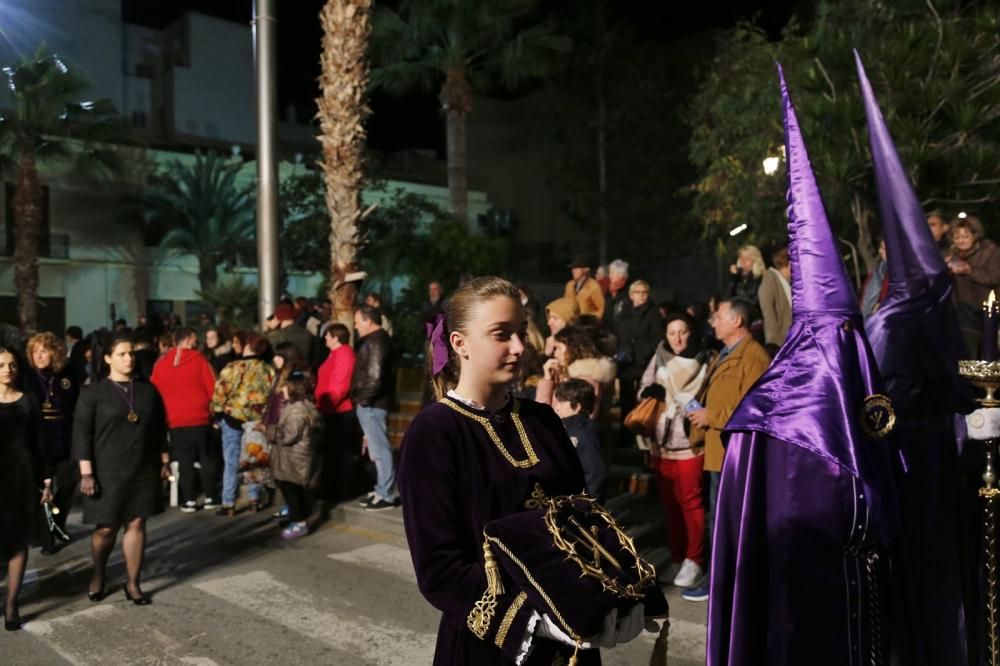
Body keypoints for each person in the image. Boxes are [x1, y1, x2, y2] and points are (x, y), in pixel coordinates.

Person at [707, 73, 898, 663]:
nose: (849, 348)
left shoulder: (860, 404)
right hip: (794, 621)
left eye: (853, 334)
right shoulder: (762, 425)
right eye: (835, 336)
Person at [399, 276, 652, 664]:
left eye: (521, 332)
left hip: (571, 638)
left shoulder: (541, 419)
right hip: (491, 647)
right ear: (460, 343)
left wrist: (617, 590)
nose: (519, 347)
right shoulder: (435, 432)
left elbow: (581, 521)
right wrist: (532, 621)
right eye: (501, 334)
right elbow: (440, 570)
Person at [859, 59, 975, 666]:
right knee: (944, 578)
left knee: (911, 584)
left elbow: (876, 398)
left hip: (907, 461)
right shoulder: (936, 301)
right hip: (942, 456)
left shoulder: (897, 315)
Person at [73, 332, 169, 606]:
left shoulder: (148, 391)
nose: (129, 359)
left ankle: (133, 583)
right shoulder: (93, 393)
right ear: (107, 359)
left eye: (131, 354)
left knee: (137, 522)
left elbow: (160, 428)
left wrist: (163, 461)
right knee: (106, 529)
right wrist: (87, 472)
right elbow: (82, 434)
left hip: (142, 467)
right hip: (106, 469)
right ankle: (99, 574)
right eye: (122, 354)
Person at [683, 297, 769, 603]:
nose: (713, 321)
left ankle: (725, 582)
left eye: (718, 316)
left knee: (729, 520)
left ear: (737, 321)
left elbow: (756, 407)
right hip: (719, 449)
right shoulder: (725, 353)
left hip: (735, 454)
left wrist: (712, 416)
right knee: (719, 519)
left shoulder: (754, 357)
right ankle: (720, 578)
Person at [636, 313, 714, 590]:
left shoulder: (706, 358)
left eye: (682, 332)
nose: (677, 338)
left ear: (690, 332)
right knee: (669, 503)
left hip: (690, 440)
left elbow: (710, 395)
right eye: (672, 333)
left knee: (691, 501)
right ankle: (677, 554)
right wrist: (653, 392)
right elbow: (644, 389)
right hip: (661, 440)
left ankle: (694, 558)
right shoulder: (659, 356)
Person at [0, 346, 52, 630]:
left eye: (12, 365)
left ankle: (11, 605)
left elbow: (39, 444)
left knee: (19, 542)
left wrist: (46, 479)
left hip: (22, 478)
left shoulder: (29, 401)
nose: (7, 370)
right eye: (1, 365)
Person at [151, 328, 219, 512]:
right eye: (195, 340)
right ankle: (211, 496)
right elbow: (213, 388)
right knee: (207, 457)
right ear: (188, 340)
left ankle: (189, 499)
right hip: (200, 416)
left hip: (174, 419)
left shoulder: (161, 363)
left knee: (184, 460)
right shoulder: (199, 360)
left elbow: (154, 391)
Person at [210, 333, 275, 516]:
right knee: (253, 458)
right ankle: (254, 499)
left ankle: (228, 502)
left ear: (249, 347)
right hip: (256, 420)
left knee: (231, 460)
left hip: (232, 418)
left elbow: (219, 393)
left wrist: (216, 413)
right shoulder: (267, 369)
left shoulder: (232, 367)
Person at [25, 332, 79, 553]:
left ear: (54, 352)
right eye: (35, 351)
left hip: (65, 437)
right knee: (42, 490)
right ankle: (47, 539)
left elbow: (76, 405)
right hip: (39, 438)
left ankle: (57, 522)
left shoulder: (67, 375)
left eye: (43, 350)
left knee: (67, 484)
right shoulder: (27, 377)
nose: (38, 355)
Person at [350, 305, 397, 511]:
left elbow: (374, 377)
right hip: (372, 403)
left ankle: (385, 494)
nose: (355, 326)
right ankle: (381, 490)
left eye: (357, 321)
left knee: (380, 449)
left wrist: (363, 400)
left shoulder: (376, 342)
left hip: (372, 404)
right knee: (376, 449)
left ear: (368, 321)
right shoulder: (377, 340)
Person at [268, 371, 322, 540]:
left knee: (292, 491)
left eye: (286, 385)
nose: (283, 388)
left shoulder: (298, 411)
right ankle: (296, 517)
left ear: (293, 389)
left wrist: (269, 431)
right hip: (291, 459)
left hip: (294, 459)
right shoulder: (297, 407)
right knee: (291, 490)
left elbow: (288, 436)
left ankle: (300, 523)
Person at [614, 280, 665, 444]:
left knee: (643, 401)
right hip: (627, 363)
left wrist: (643, 354)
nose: (642, 296)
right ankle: (626, 436)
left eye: (645, 292)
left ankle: (641, 439)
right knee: (626, 401)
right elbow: (619, 334)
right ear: (631, 295)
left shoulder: (654, 313)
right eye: (638, 292)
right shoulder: (624, 312)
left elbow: (656, 339)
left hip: (643, 364)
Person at [945, 215, 1000, 357]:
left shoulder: (990, 251)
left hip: (983, 309)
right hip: (957, 308)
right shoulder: (951, 253)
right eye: (957, 238)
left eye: (965, 237)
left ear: (975, 235)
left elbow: (994, 277)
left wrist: (970, 270)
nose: (961, 241)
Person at [316, 323, 357, 504]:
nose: (325, 337)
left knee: (340, 455)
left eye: (328, 334)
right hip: (331, 410)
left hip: (338, 411)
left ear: (335, 337)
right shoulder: (336, 354)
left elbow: (340, 385)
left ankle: (339, 491)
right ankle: (331, 489)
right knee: (333, 454)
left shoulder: (344, 354)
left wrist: (328, 405)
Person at [535, 326, 616, 417]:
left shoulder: (586, 379)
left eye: (558, 348)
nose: (555, 353)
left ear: (572, 348)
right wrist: (547, 379)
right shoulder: (565, 375)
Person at [552, 379, 606, 501]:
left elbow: (595, 473)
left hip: (577, 502)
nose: (556, 406)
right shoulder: (562, 428)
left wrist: (588, 505)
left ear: (576, 406)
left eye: (561, 402)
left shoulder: (585, 434)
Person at [757, 246, 793, 352]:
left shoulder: (787, 283)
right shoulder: (770, 279)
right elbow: (768, 312)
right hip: (779, 344)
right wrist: (773, 342)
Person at [727, 245, 764, 339]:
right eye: (741, 259)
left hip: (755, 326)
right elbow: (727, 298)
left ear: (755, 261)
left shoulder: (761, 278)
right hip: (739, 323)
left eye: (747, 259)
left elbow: (752, 302)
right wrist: (733, 279)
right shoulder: (738, 278)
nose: (743, 263)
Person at [859, 239, 888, 320]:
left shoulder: (899, 273)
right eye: (880, 247)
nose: (879, 251)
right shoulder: (878, 271)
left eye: (883, 248)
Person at [603, 259, 631, 335]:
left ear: (620, 275)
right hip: (608, 332)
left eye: (612, 273)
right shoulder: (609, 290)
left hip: (623, 333)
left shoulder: (629, 291)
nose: (609, 276)